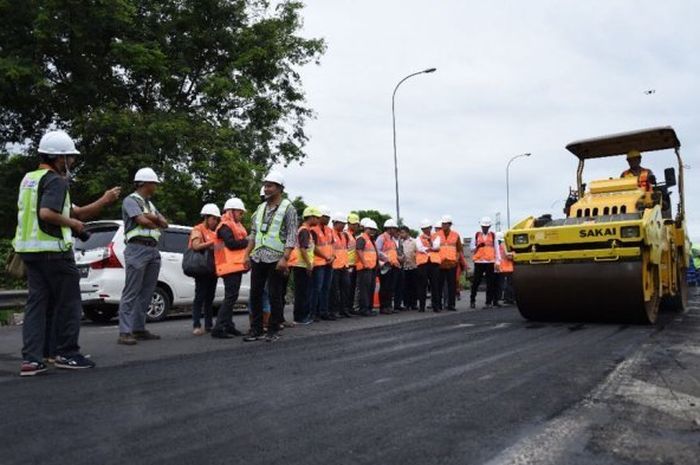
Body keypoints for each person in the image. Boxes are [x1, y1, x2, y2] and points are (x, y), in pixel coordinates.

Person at [14, 130, 121, 376]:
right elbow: (47, 214)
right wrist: (73, 226)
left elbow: (78, 212)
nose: (71, 162)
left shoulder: (30, 179)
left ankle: (34, 358)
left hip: (30, 252)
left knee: (37, 305)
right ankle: (67, 353)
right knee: (70, 303)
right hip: (54, 251)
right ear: (58, 157)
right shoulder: (56, 181)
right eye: (69, 158)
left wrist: (103, 201)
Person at [244, 171, 298, 342]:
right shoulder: (260, 209)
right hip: (258, 256)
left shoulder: (288, 208)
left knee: (275, 294)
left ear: (280, 188)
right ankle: (256, 329)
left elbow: (291, 234)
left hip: (276, 257)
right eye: (265, 185)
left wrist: (285, 258)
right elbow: (253, 233)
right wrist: (246, 255)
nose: (266, 189)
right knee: (255, 294)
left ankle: (273, 329)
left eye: (270, 185)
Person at [117, 167, 168, 345]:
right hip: (137, 248)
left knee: (147, 291)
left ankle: (138, 328)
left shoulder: (148, 204)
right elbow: (142, 221)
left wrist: (151, 217)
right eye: (154, 183)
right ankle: (124, 332)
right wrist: (154, 219)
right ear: (145, 184)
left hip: (152, 250)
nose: (155, 186)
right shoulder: (130, 200)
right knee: (132, 291)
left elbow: (165, 223)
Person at [211, 198, 248, 339]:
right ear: (231, 211)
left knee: (232, 297)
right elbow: (232, 244)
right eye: (239, 212)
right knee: (230, 297)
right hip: (228, 266)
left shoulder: (233, 225)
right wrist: (249, 241)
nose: (241, 215)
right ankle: (219, 328)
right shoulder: (224, 226)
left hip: (234, 266)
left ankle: (228, 326)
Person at [189, 203, 221, 335]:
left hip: (212, 268)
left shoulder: (215, 232)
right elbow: (196, 246)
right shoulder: (197, 229)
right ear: (206, 217)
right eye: (213, 218)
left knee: (210, 298)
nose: (216, 221)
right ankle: (196, 325)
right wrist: (212, 243)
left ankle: (209, 325)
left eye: (217, 219)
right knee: (200, 296)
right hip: (201, 268)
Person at [289, 206, 319, 325]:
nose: (317, 220)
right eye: (316, 218)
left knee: (304, 291)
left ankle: (302, 316)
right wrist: (308, 264)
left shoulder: (306, 230)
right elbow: (303, 248)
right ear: (310, 217)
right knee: (302, 292)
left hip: (302, 264)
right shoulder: (304, 231)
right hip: (301, 265)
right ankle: (300, 317)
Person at [470, 217, 501, 309]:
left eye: (486, 227)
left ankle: (488, 302)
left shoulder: (493, 236)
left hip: (490, 262)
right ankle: (472, 300)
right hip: (479, 262)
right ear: (481, 226)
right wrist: (478, 246)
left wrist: (497, 261)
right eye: (483, 226)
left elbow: (497, 249)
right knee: (476, 282)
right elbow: (472, 249)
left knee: (490, 283)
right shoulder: (476, 235)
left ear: (489, 227)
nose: (485, 228)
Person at [310, 205, 335, 321]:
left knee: (326, 288)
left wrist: (332, 256)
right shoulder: (313, 230)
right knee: (316, 288)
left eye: (329, 217)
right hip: (318, 263)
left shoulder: (330, 230)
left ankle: (323, 311)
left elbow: (332, 245)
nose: (328, 219)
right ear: (320, 217)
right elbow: (313, 247)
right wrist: (326, 257)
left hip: (329, 263)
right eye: (326, 217)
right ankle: (313, 313)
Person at [436, 215, 463, 311]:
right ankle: (438, 305)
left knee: (452, 285)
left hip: (452, 264)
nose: (443, 225)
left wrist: (456, 259)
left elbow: (459, 249)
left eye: (445, 224)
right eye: (442, 223)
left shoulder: (456, 235)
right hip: (440, 264)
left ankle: (451, 305)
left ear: (450, 224)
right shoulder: (436, 235)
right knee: (439, 286)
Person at [415, 219, 441, 312]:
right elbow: (419, 248)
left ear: (430, 228)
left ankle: (436, 306)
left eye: (427, 228)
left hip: (434, 263)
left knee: (435, 285)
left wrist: (430, 242)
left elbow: (436, 246)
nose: (426, 230)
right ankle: (422, 307)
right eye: (423, 229)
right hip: (423, 264)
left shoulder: (436, 237)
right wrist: (430, 248)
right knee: (422, 285)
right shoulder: (418, 238)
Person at [330, 213, 352, 318]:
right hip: (334, 266)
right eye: (341, 223)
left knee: (346, 288)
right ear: (335, 222)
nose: (343, 226)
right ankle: (334, 311)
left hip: (344, 266)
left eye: (344, 224)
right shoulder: (330, 233)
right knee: (334, 290)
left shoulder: (344, 235)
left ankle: (344, 309)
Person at [376, 219, 400, 315]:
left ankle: (389, 306)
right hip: (385, 266)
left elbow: (393, 252)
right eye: (394, 228)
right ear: (389, 228)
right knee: (385, 287)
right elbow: (377, 250)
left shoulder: (392, 239)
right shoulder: (381, 238)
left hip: (393, 265)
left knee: (390, 287)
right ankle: (383, 307)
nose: (395, 230)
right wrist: (386, 258)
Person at [355, 218, 379, 317]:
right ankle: (364, 309)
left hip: (372, 268)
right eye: (371, 229)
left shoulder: (370, 239)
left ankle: (369, 308)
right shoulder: (362, 238)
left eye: (374, 229)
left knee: (370, 288)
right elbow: (359, 250)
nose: (373, 231)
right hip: (365, 268)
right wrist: (364, 263)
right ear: (366, 229)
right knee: (364, 289)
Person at [345, 213, 361, 315]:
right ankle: (346, 308)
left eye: (356, 224)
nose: (355, 226)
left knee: (351, 287)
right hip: (347, 265)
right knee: (347, 288)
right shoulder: (345, 234)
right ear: (348, 224)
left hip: (354, 264)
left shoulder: (353, 235)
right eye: (353, 224)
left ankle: (350, 307)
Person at [400, 226, 418, 310]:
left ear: (407, 232)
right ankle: (406, 303)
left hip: (413, 266)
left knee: (414, 285)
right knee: (405, 286)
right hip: (404, 267)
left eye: (403, 232)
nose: (401, 234)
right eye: (400, 232)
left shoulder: (414, 241)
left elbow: (418, 252)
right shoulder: (400, 242)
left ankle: (413, 303)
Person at [495, 231, 515, 305]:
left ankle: (499, 298)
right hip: (508, 268)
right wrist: (514, 254)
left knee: (500, 284)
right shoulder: (504, 244)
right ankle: (509, 298)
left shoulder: (496, 246)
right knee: (509, 284)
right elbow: (508, 256)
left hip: (500, 268)